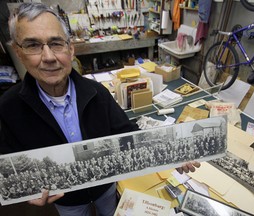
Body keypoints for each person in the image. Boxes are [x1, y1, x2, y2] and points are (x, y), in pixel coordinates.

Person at [0, 2, 200, 216]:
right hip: (67, 202)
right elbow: (8, 162)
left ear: (70, 48)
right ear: (18, 53)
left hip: (106, 189)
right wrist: (23, 187)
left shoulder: (97, 93)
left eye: (56, 43)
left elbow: (128, 134)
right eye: (33, 45)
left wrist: (169, 153)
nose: (49, 57)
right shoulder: (8, 107)